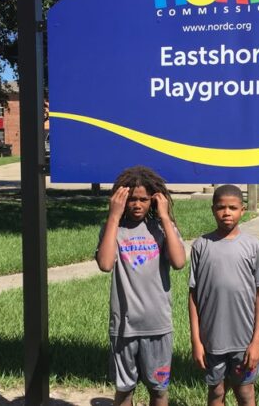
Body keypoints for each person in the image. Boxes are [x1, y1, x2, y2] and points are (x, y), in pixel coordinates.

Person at [95, 166, 187, 406]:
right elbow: (105, 264)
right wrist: (113, 216)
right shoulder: (113, 229)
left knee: (158, 390)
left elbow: (179, 262)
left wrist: (165, 217)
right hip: (124, 327)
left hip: (158, 325)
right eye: (132, 199)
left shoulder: (161, 229)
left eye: (143, 199)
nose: (137, 204)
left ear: (154, 200)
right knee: (124, 390)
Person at [188, 184, 259, 406]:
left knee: (245, 393)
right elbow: (193, 296)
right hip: (211, 340)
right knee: (215, 393)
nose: (227, 212)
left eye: (232, 208)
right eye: (221, 207)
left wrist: (256, 342)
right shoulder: (201, 246)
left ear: (242, 210)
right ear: (212, 209)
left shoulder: (254, 247)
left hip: (243, 341)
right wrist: (196, 340)